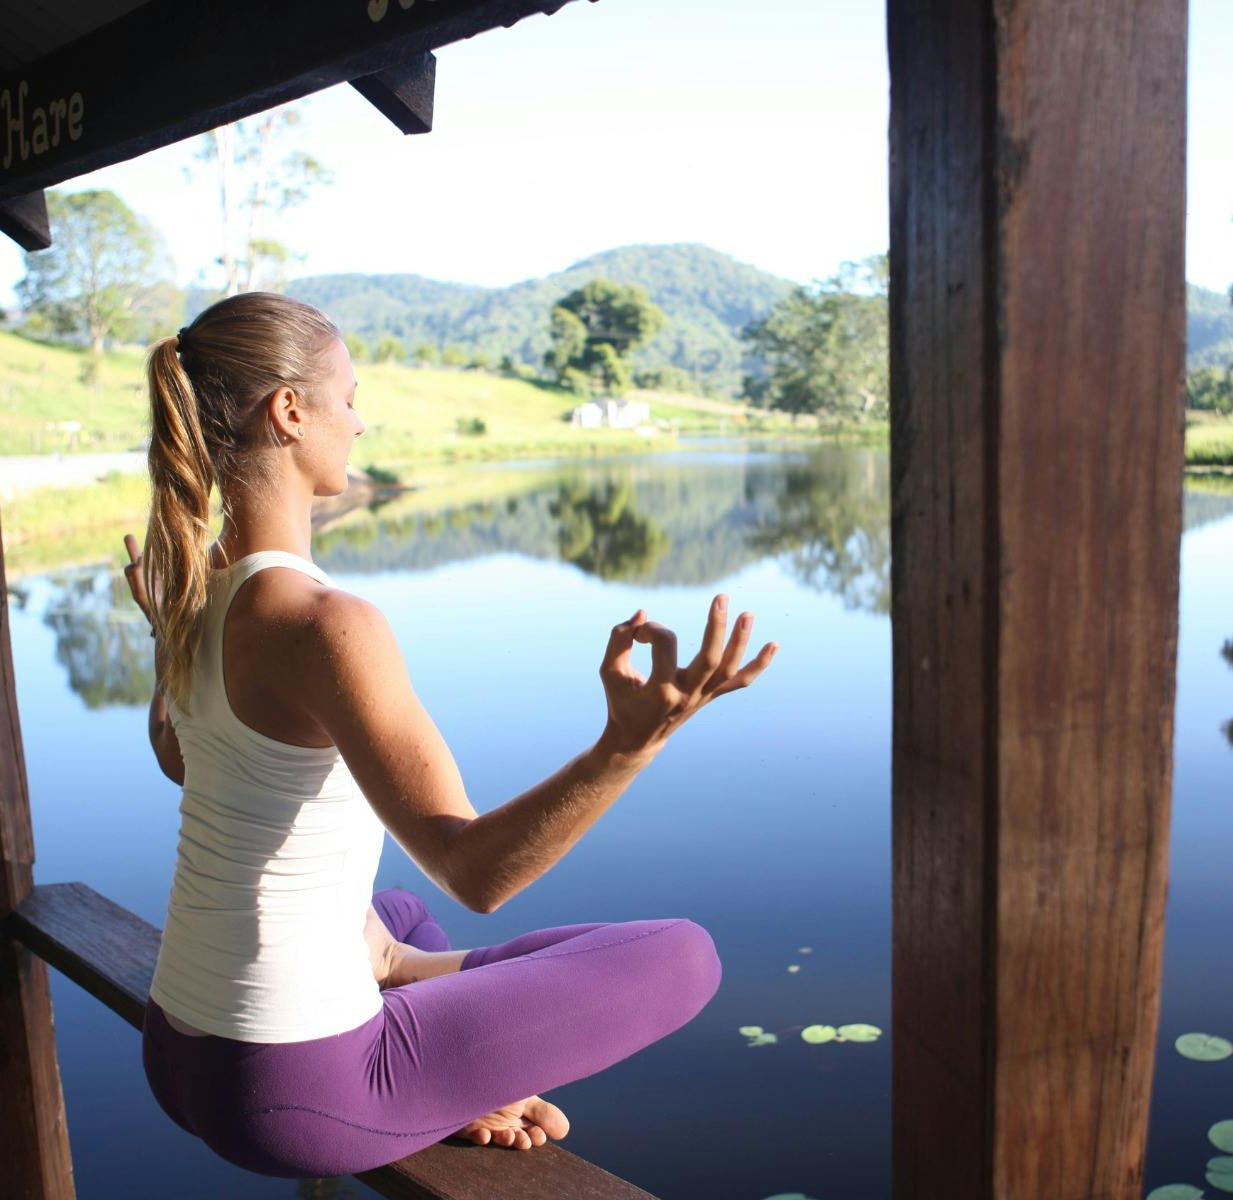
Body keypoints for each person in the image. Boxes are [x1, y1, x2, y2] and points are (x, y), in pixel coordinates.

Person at [121, 291, 778, 1179]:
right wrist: (629, 743)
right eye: (348, 398)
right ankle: (449, 1069)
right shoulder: (325, 622)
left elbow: (181, 763)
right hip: (289, 1090)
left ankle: (439, 1032)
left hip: (178, 1051)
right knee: (685, 956)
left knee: (393, 916)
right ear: (289, 412)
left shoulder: (198, 600)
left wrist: (170, 642)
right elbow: (476, 871)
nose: (358, 422)